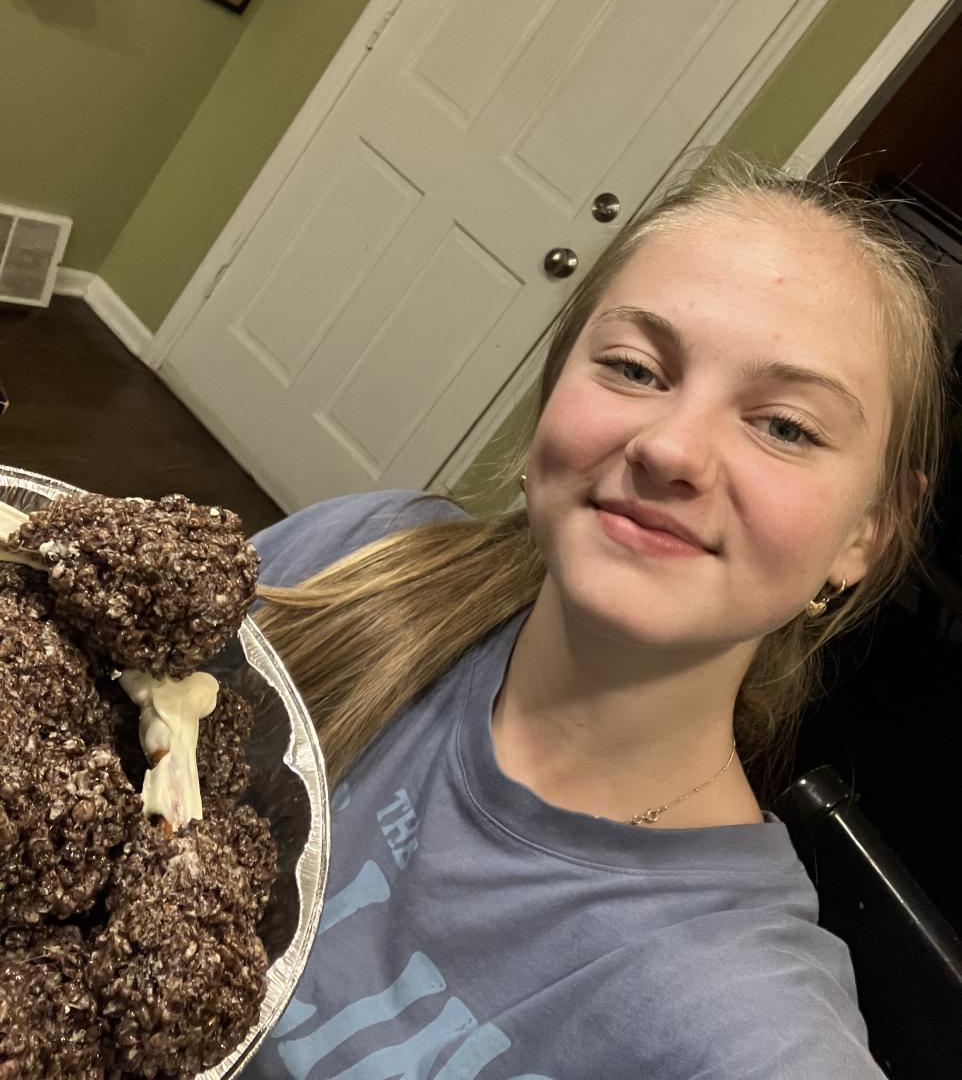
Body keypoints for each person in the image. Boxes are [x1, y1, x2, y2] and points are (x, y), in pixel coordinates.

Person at [245, 160, 946, 1080]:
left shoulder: (744, 1024)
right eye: (633, 368)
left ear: (867, 532)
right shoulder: (351, 559)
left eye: (784, 425)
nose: (670, 447)